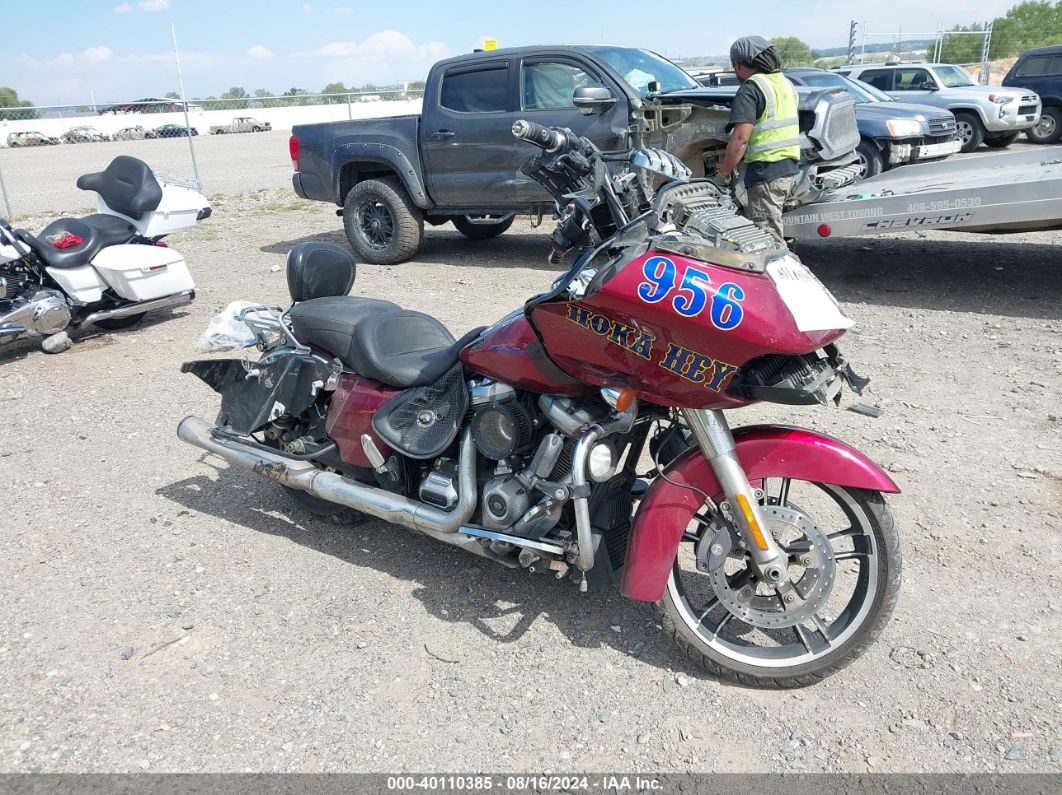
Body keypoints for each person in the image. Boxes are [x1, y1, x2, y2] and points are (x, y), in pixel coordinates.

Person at [712, 36, 801, 244]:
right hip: (788, 170)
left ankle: (778, 272)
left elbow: (741, 138)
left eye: (734, 67)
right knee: (773, 225)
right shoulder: (785, 84)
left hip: (766, 174)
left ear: (739, 65)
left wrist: (723, 173)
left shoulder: (751, 89)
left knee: (767, 238)